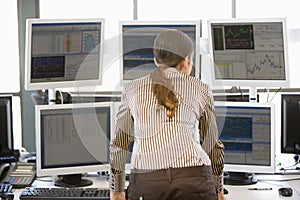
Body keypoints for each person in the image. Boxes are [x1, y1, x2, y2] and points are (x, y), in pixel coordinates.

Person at [110, 29, 225, 200]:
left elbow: (119, 144)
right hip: (195, 181)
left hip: (147, 182)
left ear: (156, 60)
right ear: (186, 60)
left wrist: (116, 190)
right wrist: (218, 189)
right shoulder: (201, 88)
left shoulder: (132, 89)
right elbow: (212, 145)